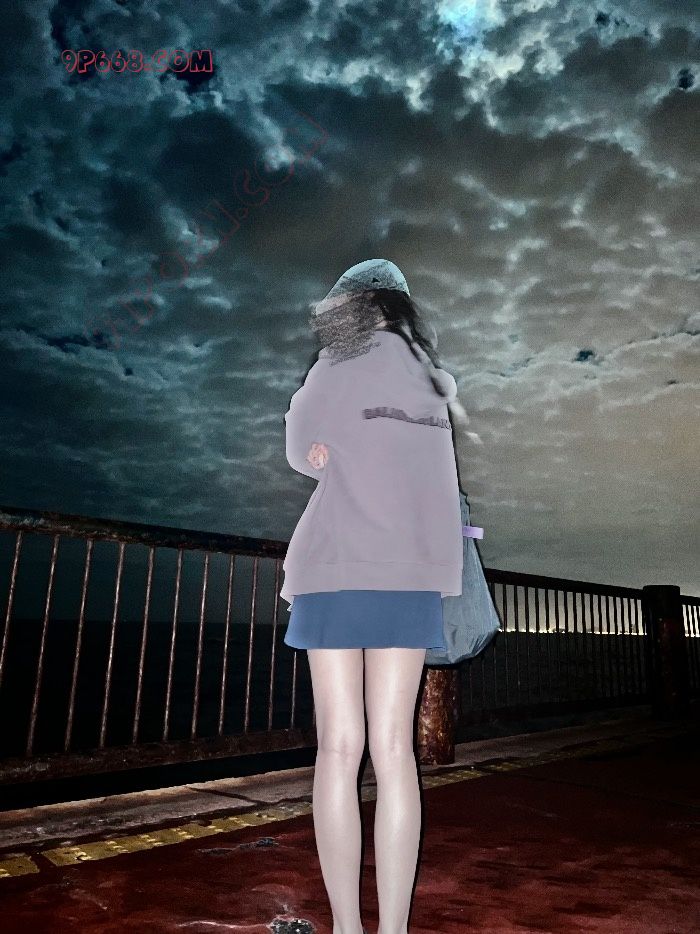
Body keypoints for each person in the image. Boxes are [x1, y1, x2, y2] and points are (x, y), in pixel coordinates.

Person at [281, 259, 464, 934]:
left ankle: (347, 928)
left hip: (335, 568)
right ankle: (393, 929)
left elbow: (299, 448)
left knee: (338, 749)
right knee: (395, 752)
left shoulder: (335, 366)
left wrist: (323, 450)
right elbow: (435, 486)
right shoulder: (430, 382)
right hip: (409, 574)